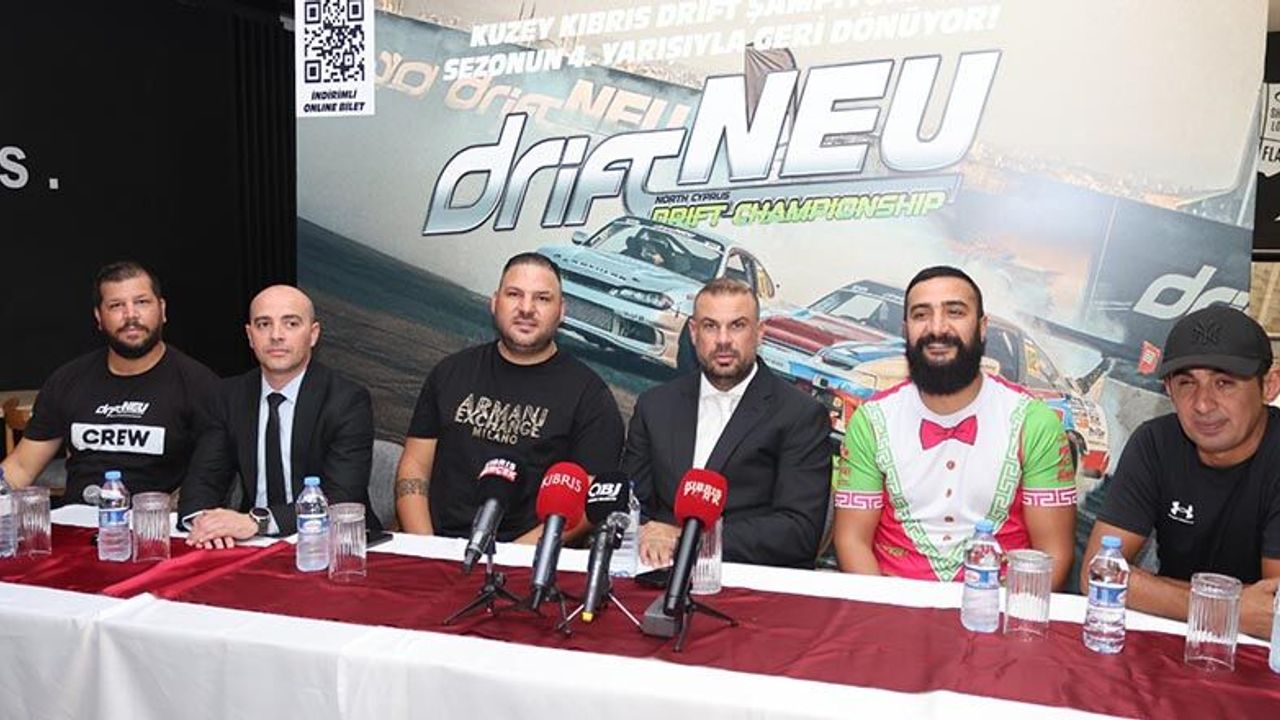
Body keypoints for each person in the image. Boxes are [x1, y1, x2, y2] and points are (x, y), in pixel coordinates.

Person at [833, 266, 1077, 588]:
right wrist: (887, 612)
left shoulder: (1034, 422)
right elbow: (852, 541)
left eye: (955, 312)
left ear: (982, 327)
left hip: (999, 606)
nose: (937, 328)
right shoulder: (872, 420)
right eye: (921, 315)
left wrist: (999, 614)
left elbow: (1052, 554)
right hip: (893, 604)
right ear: (906, 330)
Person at [394, 253, 624, 543]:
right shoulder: (450, 372)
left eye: (542, 298)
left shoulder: (591, 397)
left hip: (527, 559)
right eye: (514, 294)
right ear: (494, 302)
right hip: (436, 546)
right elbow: (414, 467)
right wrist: (426, 548)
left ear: (561, 311)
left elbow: (589, 503)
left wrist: (510, 558)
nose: (526, 309)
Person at [1083, 305, 1280, 638]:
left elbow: (1272, 610)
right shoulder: (1155, 442)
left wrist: (1153, 590)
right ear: (1169, 389)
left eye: (1224, 383)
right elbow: (1098, 575)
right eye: (1187, 383)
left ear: (1269, 385)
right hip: (1174, 639)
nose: (1203, 404)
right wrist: (1226, 607)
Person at [623, 278, 831, 568]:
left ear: (759, 332)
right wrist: (647, 534)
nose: (723, 340)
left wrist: (688, 540)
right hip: (654, 571)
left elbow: (798, 531)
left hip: (748, 579)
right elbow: (632, 504)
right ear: (693, 332)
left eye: (737, 326)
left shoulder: (800, 415)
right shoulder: (654, 405)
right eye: (710, 326)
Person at [178, 285, 380, 548]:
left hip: (333, 544)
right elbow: (204, 479)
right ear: (250, 336)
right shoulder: (228, 396)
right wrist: (205, 523)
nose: (276, 335)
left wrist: (257, 521)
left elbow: (342, 497)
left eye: (291, 323)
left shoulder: (346, 400)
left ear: (313, 334)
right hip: (250, 543)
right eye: (264, 324)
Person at [0, 261, 218, 501]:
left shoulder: (199, 385)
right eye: (116, 305)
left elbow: (214, 477)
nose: (131, 315)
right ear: (99, 317)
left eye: (141, 302)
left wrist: (170, 511)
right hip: (75, 519)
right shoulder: (67, 380)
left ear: (162, 309)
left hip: (155, 520)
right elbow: (21, 467)